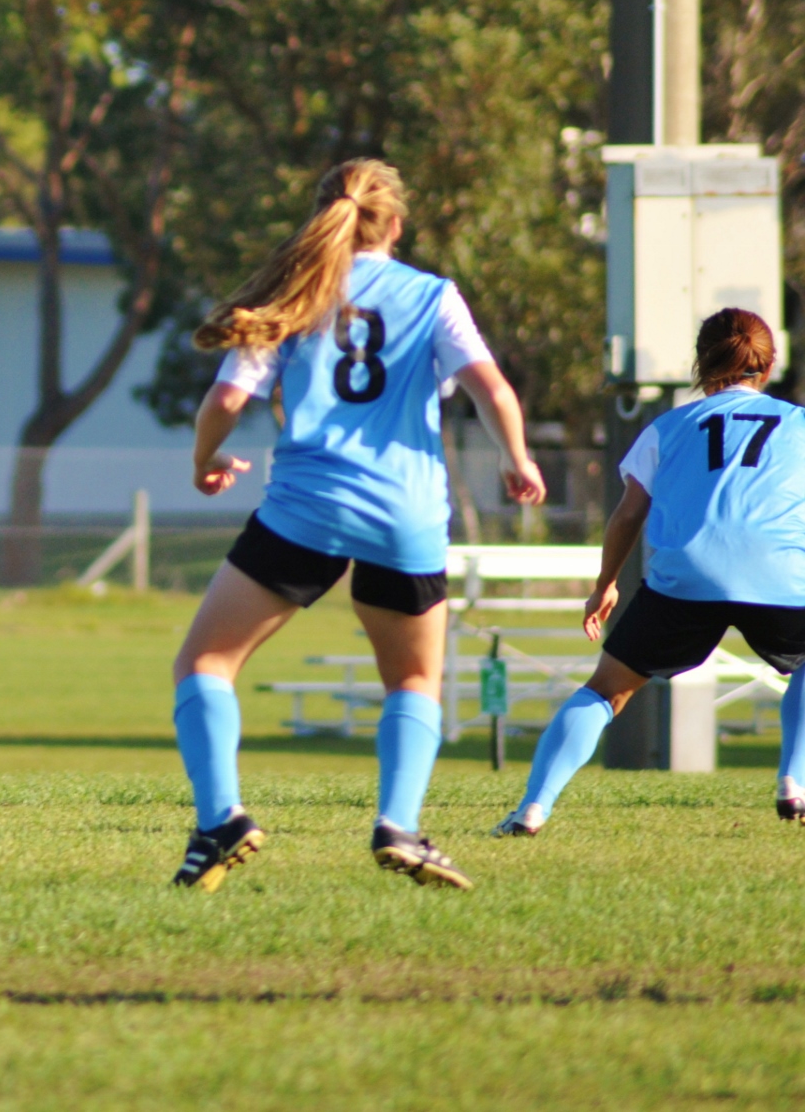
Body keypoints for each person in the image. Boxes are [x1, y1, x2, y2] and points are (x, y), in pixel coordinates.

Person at [167, 157, 546, 892]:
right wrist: (517, 460)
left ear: (322, 217)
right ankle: (397, 826)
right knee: (413, 679)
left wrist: (205, 459)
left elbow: (226, 398)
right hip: (407, 515)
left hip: (307, 509)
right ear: (396, 225)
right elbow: (491, 387)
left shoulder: (297, 291)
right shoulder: (433, 296)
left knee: (205, 665)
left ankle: (221, 820)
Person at [494, 308, 805, 836]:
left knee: (604, 691)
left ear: (702, 363)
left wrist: (604, 585)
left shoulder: (668, 426)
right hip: (779, 573)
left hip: (686, 573)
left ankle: (532, 808)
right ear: (770, 365)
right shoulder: (797, 424)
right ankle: (794, 782)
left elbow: (629, 514)